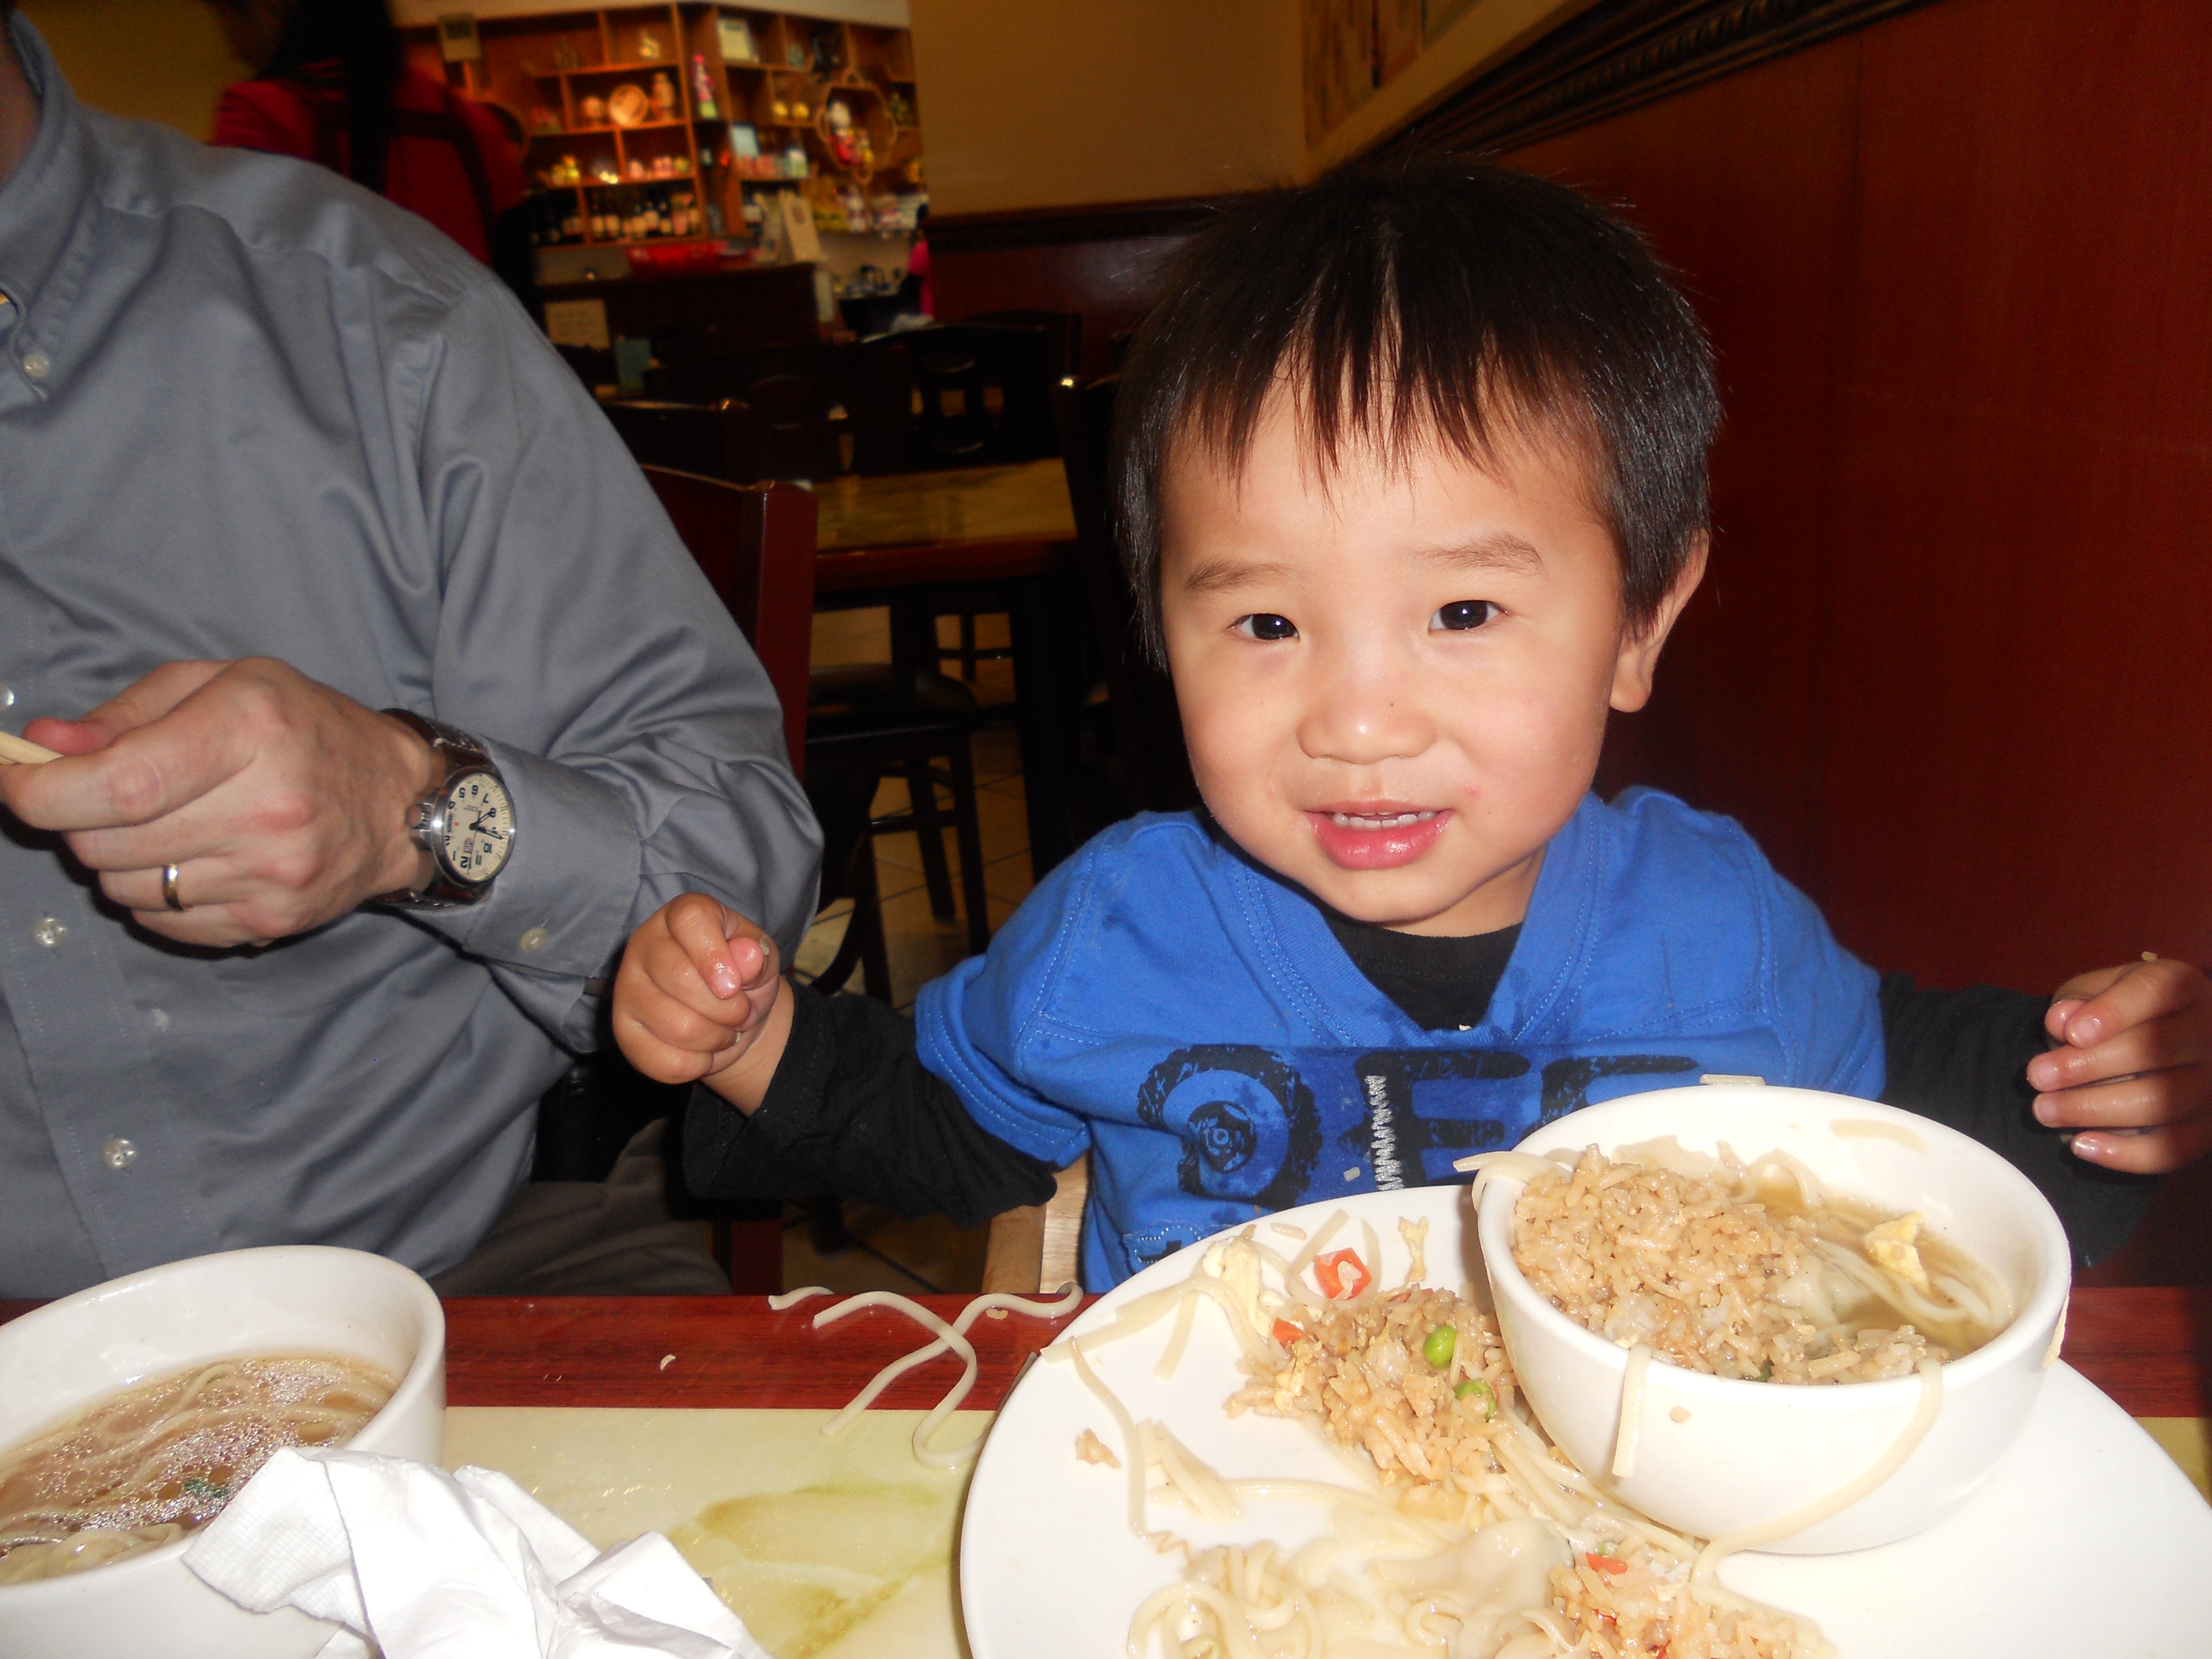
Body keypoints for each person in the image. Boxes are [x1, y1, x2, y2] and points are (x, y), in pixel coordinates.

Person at [612, 160, 2212, 1286]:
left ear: (1640, 623)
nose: (1359, 723)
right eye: (1266, 624)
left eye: (1460, 614)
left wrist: (2119, 1074)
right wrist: (753, 1043)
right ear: (1160, 628)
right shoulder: (1119, 931)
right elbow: (946, 1129)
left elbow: (1917, 1094)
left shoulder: (1720, 931)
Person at [0, 9, 820, 1297]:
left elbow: (733, 896)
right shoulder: (461, 119)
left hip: (465, 1245)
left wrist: (408, 808)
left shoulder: (363, 294)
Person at [206, 0, 522, 269]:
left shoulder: (258, 115)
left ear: (269, 8)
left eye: (229, 16)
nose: (235, 48)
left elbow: (243, 281)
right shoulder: (474, 125)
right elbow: (517, 293)